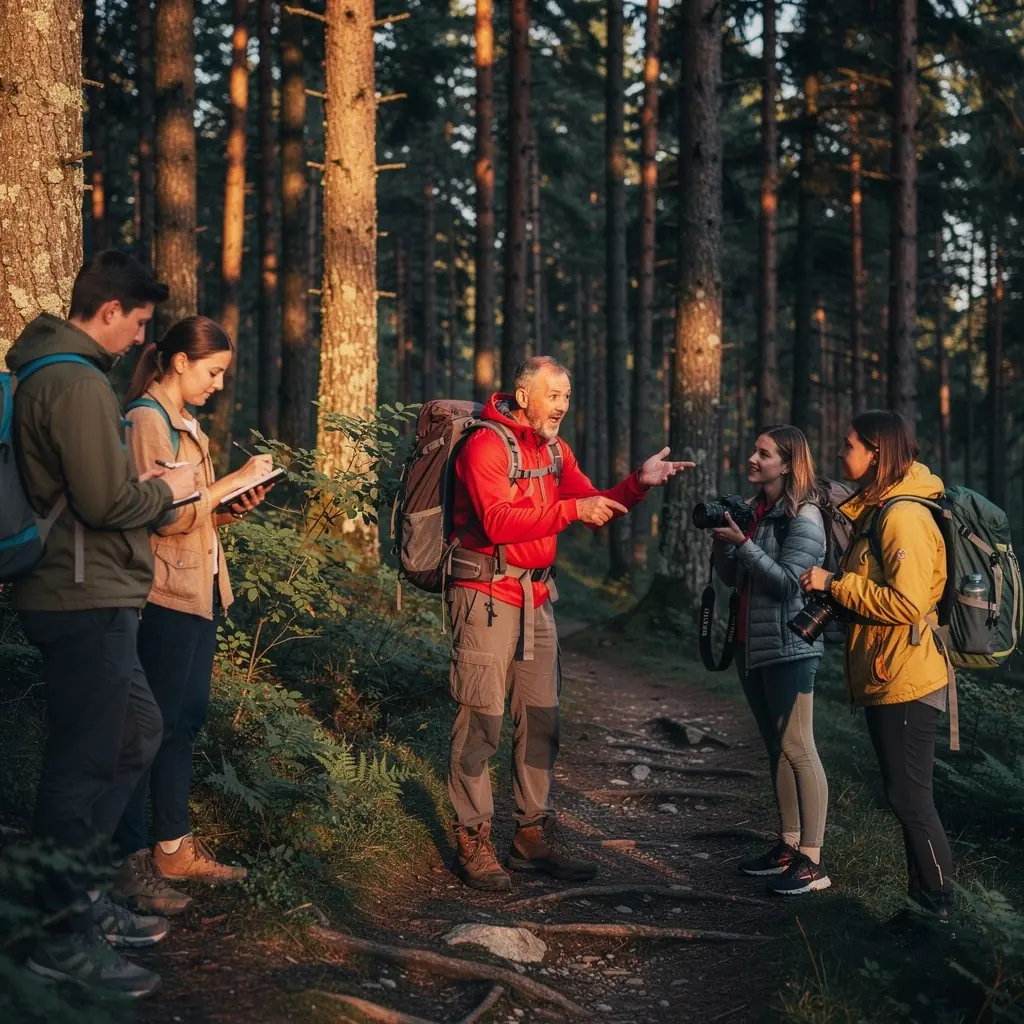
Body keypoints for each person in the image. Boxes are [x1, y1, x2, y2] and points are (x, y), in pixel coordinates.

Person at [6, 250, 199, 998]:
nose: (141, 338)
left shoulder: (51, 372)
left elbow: (93, 489)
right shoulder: (77, 380)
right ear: (110, 310)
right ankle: (62, 939)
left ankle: (81, 896)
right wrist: (168, 492)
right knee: (79, 767)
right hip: (80, 594)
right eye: (140, 322)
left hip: (89, 588)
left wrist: (133, 487)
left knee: (137, 734)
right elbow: (105, 506)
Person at [446, 355, 694, 891]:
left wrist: (638, 484)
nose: (562, 405)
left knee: (541, 718)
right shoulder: (486, 445)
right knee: (482, 719)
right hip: (484, 593)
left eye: (566, 395)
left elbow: (586, 498)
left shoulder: (555, 449)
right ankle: (472, 835)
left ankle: (529, 837)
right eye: (553, 394)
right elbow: (496, 522)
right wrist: (570, 514)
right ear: (522, 393)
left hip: (536, 596)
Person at [111, 316, 273, 916]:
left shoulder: (186, 424)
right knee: (147, 727)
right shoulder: (146, 421)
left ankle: (173, 846)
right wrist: (231, 478)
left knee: (184, 720)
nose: (218, 383)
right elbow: (162, 514)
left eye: (223, 373)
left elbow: (194, 514)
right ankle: (129, 859)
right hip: (161, 594)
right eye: (212, 371)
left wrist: (235, 504)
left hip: (199, 590)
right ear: (179, 362)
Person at [800, 410, 954, 919]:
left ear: (877, 453)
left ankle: (940, 915)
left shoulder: (903, 516)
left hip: (907, 675)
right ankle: (920, 913)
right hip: (891, 670)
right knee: (904, 797)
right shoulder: (879, 508)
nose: (841, 453)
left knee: (911, 801)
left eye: (850, 445)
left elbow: (908, 603)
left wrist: (833, 584)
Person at [711, 425, 831, 895]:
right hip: (752, 645)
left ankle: (814, 861)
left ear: (787, 463)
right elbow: (728, 578)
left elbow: (787, 584)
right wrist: (724, 541)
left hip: (790, 646)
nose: (753, 459)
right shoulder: (756, 512)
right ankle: (789, 844)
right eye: (753, 450)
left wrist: (743, 544)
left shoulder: (804, 517)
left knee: (800, 747)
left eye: (764, 453)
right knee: (777, 748)